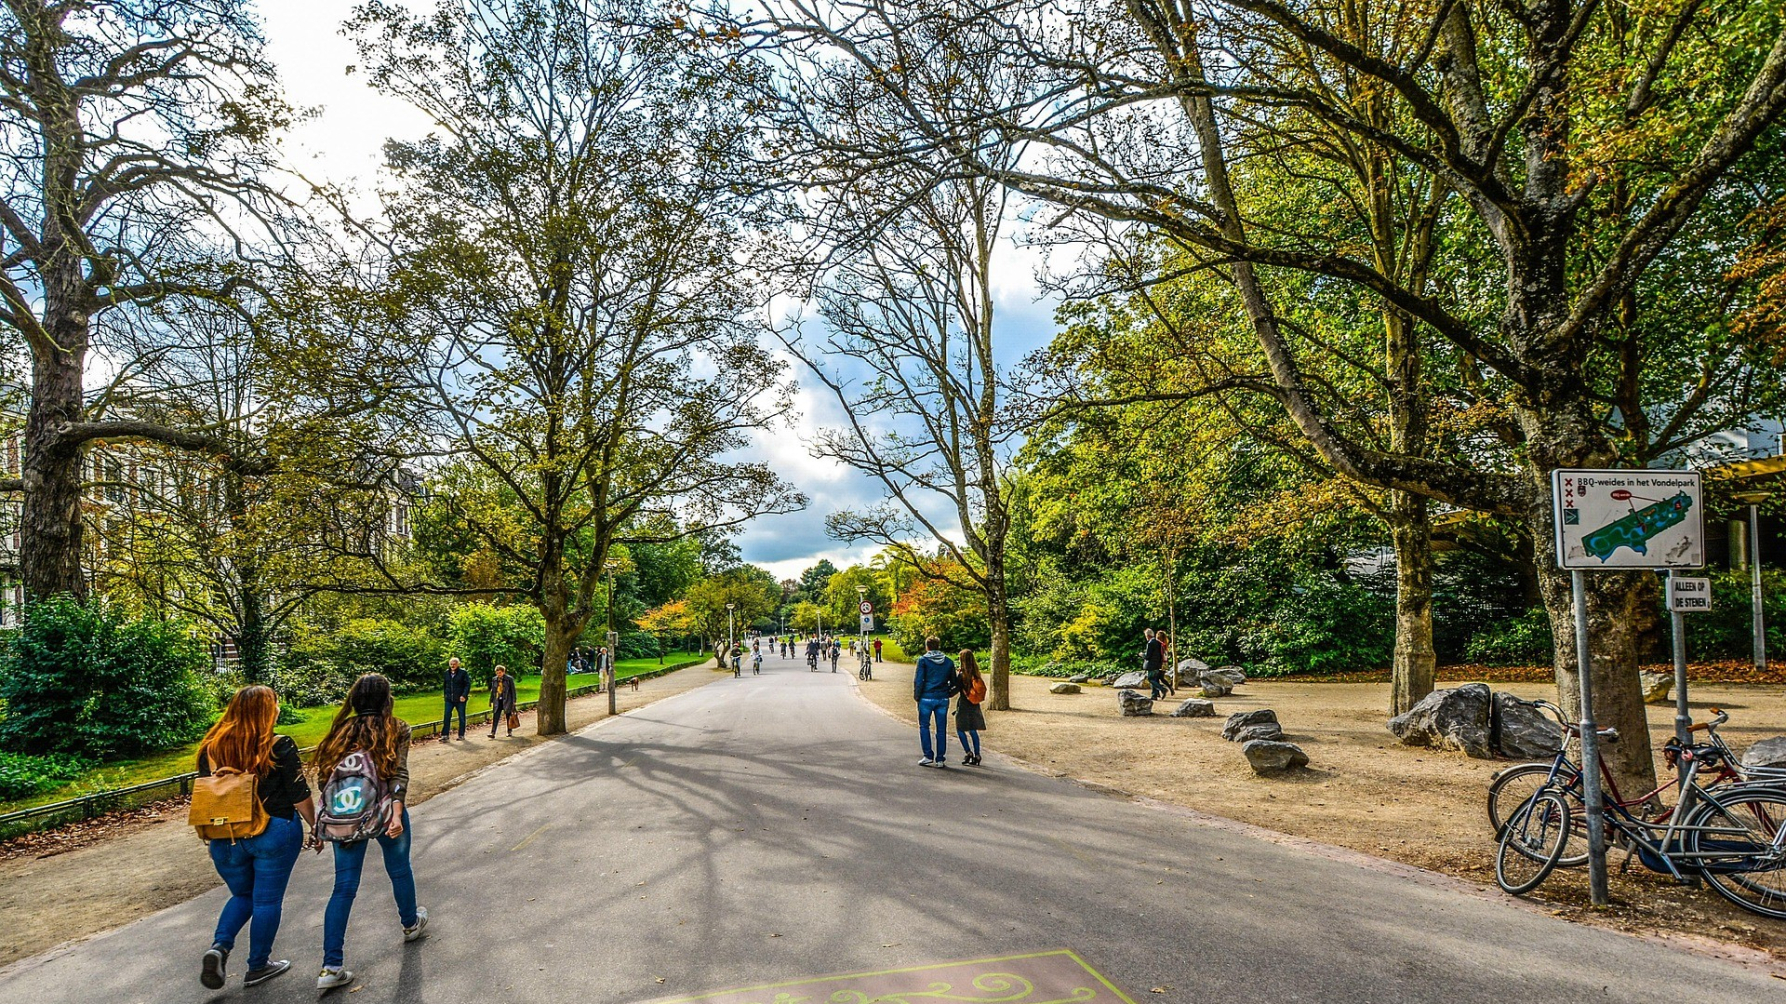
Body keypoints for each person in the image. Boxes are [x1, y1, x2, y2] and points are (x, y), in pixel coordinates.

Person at [197, 686, 316, 990]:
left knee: (242, 895)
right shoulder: (277, 745)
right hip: (272, 830)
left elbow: (209, 792)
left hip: (226, 835)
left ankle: (220, 947)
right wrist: (315, 825)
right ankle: (258, 965)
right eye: (275, 704)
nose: (278, 708)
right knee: (266, 899)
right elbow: (298, 794)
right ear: (266, 710)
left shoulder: (210, 749)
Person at [312, 674, 424, 991]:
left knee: (343, 886)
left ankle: (331, 965)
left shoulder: (340, 731)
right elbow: (399, 772)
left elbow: (325, 780)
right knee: (399, 869)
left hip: (347, 814)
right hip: (388, 808)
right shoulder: (396, 727)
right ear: (386, 698)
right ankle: (410, 923)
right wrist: (398, 810)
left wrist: (330, 816)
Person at [912, 637, 959, 767]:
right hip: (942, 698)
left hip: (926, 697)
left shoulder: (923, 661)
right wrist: (948, 693)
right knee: (941, 729)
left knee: (924, 726)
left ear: (927, 646)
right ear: (938, 646)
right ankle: (940, 758)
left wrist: (917, 696)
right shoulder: (948, 662)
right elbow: (954, 682)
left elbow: (919, 680)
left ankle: (928, 755)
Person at [954, 650, 988, 766]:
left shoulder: (962, 675)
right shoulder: (976, 674)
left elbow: (956, 688)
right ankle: (977, 754)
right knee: (973, 730)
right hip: (974, 704)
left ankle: (968, 752)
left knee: (960, 729)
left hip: (964, 704)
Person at [441, 657, 470, 741]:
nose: (452, 665)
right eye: (451, 664)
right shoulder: (446, 673)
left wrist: (464, 695)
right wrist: (446, 695)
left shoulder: (463, 673)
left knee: (461, 716)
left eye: (454, 664)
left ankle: (461, 734)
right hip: (449, 699)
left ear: (458, 664)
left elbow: (467, 685)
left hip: (460, 699)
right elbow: (445, 685)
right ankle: (445, 735)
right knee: (447, 716)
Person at [488, 664, 518, 738]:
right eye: (497, 673)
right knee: (496, 716)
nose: (499, 674)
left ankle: (509, 731)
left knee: (508, 715)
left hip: (507, 699)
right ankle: (493, 732)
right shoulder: (494, 679)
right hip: (498, 700)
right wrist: (491, 700)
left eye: (500, 673)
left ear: (503, 672)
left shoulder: (509, 679)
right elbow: (493, 690)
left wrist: (514, 700)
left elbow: (513, 690)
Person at [1142, 628, 1165, 700]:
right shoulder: (1158, 642)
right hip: (1157, 664)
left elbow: (1148, 656)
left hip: (1151, 665)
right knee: (1154, 679)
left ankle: (1162, 689)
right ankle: (1154, 695)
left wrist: (1142, 655)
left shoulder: (1150, 643)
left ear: (1147, 635)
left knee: (1150, 679)